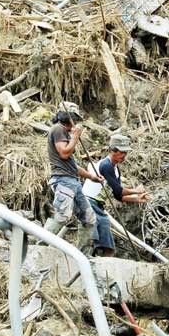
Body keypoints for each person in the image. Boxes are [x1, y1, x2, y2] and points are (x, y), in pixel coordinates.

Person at [43, 104, 103, 253]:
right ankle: (39, 245)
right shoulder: (58, 129)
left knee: (89, 219)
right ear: (66, 118)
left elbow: (72, 166)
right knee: (62, 216)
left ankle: (82, 254)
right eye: (73, 120)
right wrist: (75, 137)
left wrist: (91, 177)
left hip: (72, 181)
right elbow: (64, 153)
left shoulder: (64, 133)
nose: (74, 125)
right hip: (63, 180)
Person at [82, 134, 150, 256]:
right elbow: (119, 191)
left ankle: (102, 261)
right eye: (121, 152)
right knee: (91, 238)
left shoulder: (116, 169)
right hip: (88, 203)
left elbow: (118, 196)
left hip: (98, 206)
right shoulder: (106, 165)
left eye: (125, 153)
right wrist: (136, 191)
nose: (124, 156)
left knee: (108, 245)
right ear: (113, 150)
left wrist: (137, 199)